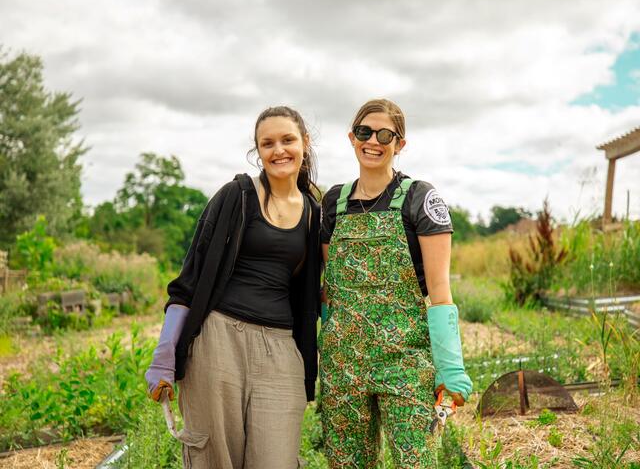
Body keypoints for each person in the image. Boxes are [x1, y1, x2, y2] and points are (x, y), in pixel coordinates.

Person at [145, 106, 321, 469]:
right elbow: (188, 282)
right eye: (267, 143)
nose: (278, 150)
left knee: (278, 460)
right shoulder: (235, 196)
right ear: (258, 151)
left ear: (304, 143)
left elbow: (315, 293)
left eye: (287, 140)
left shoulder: (314, 213)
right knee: (214, 458)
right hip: (218, 342)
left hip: (280, 348)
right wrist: (164, 358)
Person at [319, 99, 472, 467]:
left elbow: (439, 292)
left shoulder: (419, 198)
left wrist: (450, 369)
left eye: (385, 134)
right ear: (351, 138)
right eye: (364, 132)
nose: (373, 140)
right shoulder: (334, 202)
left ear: (399, 143)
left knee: (415, 461)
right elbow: (331, 291)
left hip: (404, 364)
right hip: (343, 366)